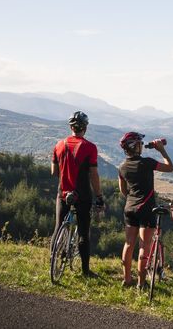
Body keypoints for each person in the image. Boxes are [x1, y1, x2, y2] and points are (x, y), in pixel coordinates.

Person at [51, 111, 105, 277]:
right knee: (83, 233)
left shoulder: (59, 145)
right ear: (85, 128)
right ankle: (85, 271)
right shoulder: (90, 147)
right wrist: (99, 196)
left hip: (63, 193)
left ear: (70, 127)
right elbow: (94, 175)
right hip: (82, 195)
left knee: (59, 226)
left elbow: (54, 172)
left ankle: (52, 261)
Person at [118, 132, 173, 289]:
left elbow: (123, 191)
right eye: (140, 144)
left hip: (129, 208)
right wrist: (161, 150)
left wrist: (133, 200)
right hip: (146, 209)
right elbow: (170, 168)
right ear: (134, 146)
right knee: (145, 246)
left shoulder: (122, 167)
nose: (142, 146)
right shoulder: (147, 163)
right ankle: (141, 284)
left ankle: (127, 279)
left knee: (129, 244)